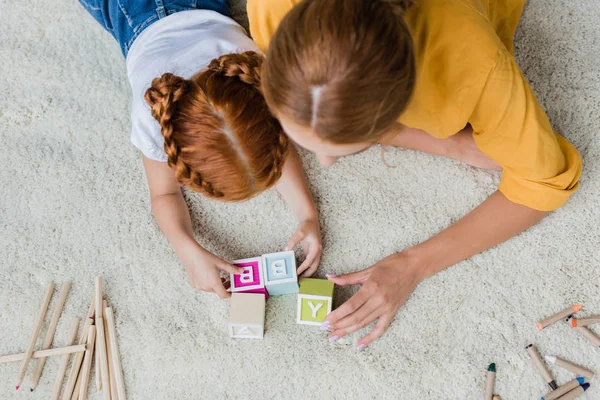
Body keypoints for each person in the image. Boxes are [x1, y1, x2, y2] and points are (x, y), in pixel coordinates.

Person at [248, 0, 582, 348]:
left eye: (351, 146)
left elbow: (545, 179)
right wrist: (446, 145)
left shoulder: (471, 61)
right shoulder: (270, 10)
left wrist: (412, 265)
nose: (325, 162)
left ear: (404, 103)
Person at [78, 0, 322, 297]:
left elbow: (275, 150)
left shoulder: (254, 73)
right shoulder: (152, 118)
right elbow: (163, 194)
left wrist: (308, 216)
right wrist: (186, 249)